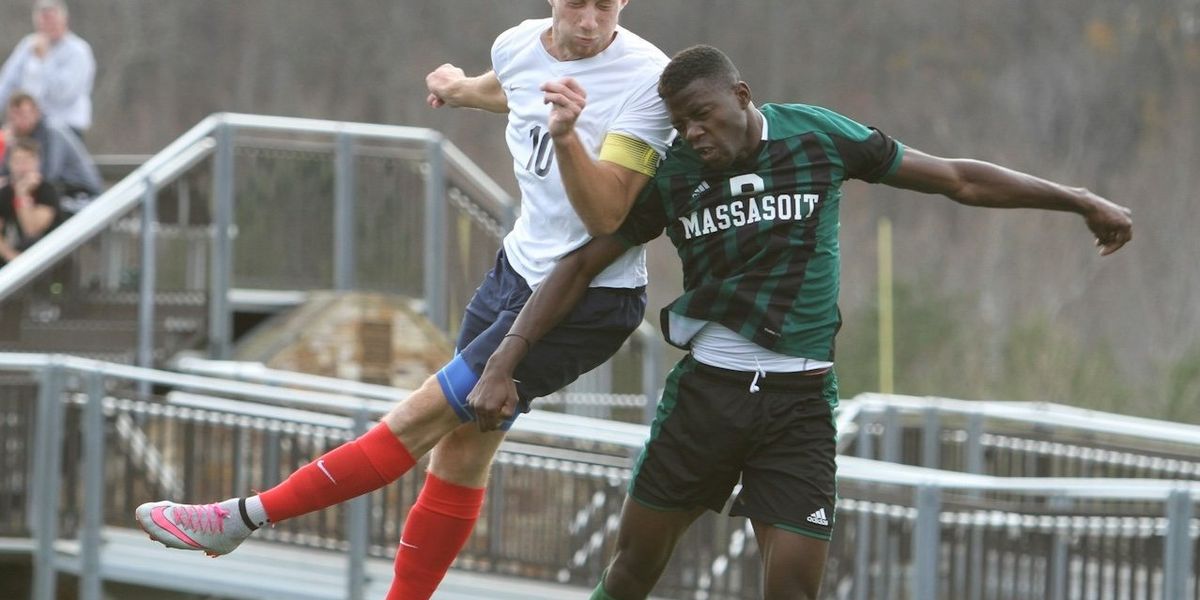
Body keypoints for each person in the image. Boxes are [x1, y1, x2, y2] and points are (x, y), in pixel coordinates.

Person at [466, 45, 1134, 600]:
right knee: (634, 568)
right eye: (680, 124)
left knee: (793, 587)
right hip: (707, 398)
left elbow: (958, 178)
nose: (693, 133)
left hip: (799, 405)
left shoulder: (818, 137)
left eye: (702, 116)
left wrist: (1076, 200)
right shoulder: (678, 176)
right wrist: (503, 364)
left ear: (741, 95)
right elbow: (579, 267)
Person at [135, 2, 673, 599]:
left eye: (607, 4)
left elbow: (607, 213)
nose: (591, 21)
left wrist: (567, 137)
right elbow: (512, 87)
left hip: (584, 297)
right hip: (514, 272)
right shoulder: (518, 44)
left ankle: (238, 518)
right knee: (459, 453)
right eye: (579, 3)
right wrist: (462, 89)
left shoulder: (648, 79)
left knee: (420, 417)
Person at [0, 0, 95, 139]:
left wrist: (44, 60)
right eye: (43, 22)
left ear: (64, 20)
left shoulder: (78, 51)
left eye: (52, 21)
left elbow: (63, 93)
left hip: (65, 128)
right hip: (28, 127)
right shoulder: (27, 46)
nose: (47, 27)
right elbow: (8, 82)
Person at [2, 92, 101, 213]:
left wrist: (15, 183)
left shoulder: (51, 132)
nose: (18, 122)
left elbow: (49, 174)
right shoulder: (16, 136)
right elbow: (6, 171)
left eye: (24, 116)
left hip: (78, 193)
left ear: (36, 113)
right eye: (14, 117)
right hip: (51, 192)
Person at [0, 137, 60, 266]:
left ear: (37, 163)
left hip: (45, 258)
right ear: (9, 163)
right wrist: (9, 255)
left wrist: (21, 194)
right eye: (18, 161)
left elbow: (31, 230)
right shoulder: (4, 193)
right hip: (13, 258)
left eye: (27, 161)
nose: (22, 167)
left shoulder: (47, 191)